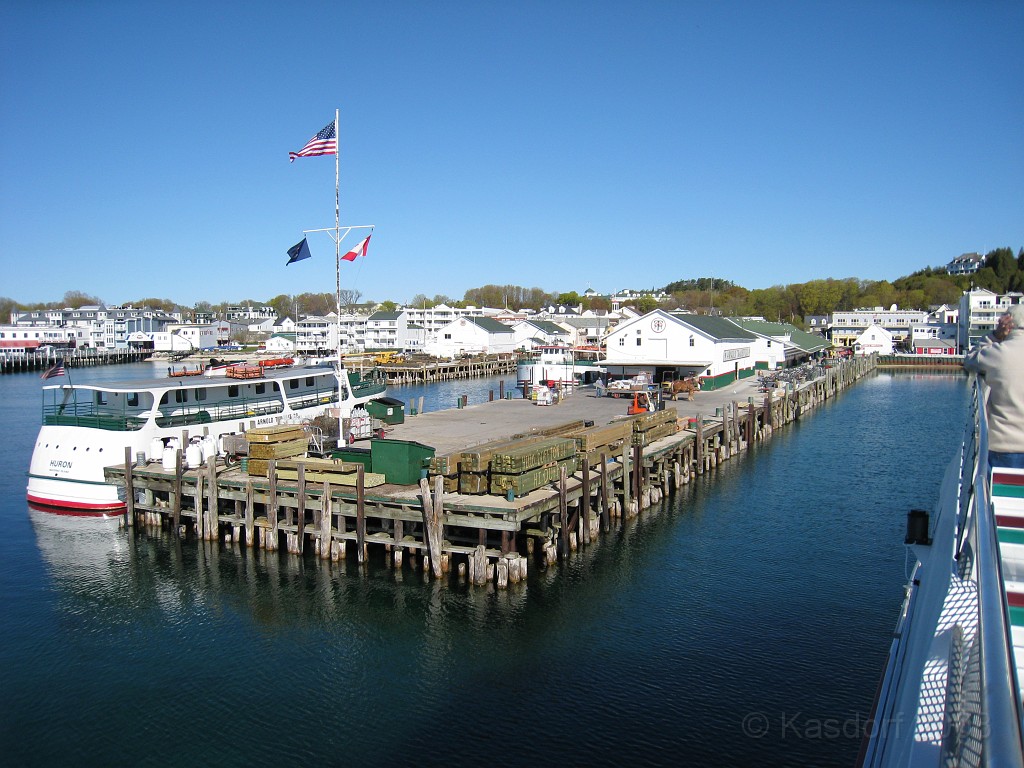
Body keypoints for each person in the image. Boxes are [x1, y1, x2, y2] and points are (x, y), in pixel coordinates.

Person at [963, 305, 1024, 468]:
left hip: (1005, 447)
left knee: (1002, 491)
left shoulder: (999, 353)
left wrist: (995, 335)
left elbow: (970, 360)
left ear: (1007, 324)